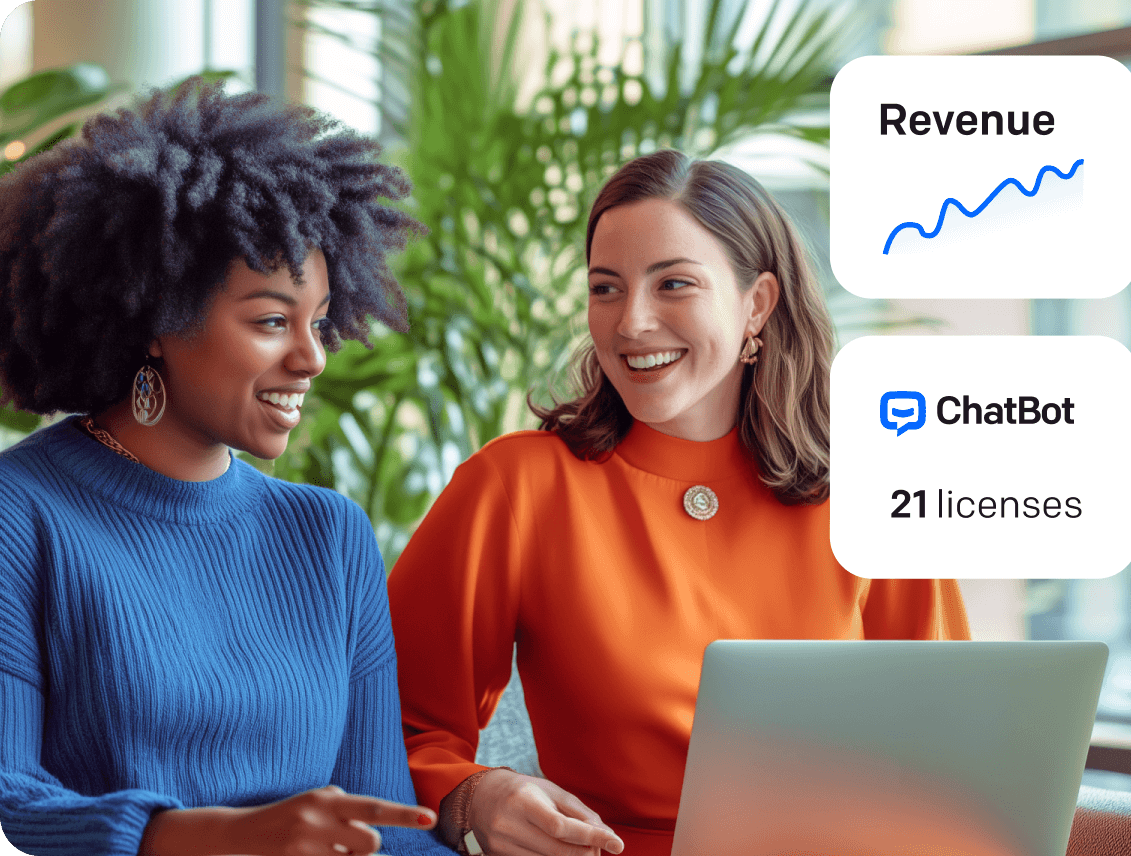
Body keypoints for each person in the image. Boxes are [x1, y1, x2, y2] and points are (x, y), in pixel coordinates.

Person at [388, 149, 971, 856]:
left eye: (674, 284)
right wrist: (474, 796)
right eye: (606, 288)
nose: (630, 322)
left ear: (757, 303)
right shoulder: (517, 486)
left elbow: (951, 757)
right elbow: (387, 724)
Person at [0, 77, 454, 856]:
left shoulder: (330, 536)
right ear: (154, 317)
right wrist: (207, 837)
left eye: (317, 321)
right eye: (272, 321)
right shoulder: (22, 514)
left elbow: (384, 827)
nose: (311, 358)